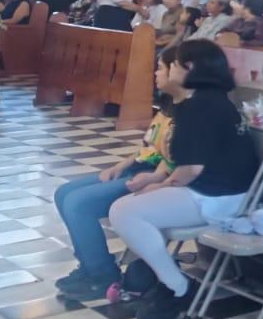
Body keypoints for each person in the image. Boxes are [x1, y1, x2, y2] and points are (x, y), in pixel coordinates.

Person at [107, 41, 263, 319]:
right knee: (127, 209)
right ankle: (161, 279)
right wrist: (159, 182)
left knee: (124, 212)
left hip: (218, 197)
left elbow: (191, 168)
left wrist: (161, 186)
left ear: (188, 68)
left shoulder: (200, 107)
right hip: (217, 191)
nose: (160, 72)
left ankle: (179, 288)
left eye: (168, 66)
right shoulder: (208, 100)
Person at [53, 47, 185, 299]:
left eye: (161, 68)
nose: (155, 73)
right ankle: (88, 265)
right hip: (142, 168)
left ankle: (102, 275)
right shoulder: (168, 105)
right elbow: (149, 146)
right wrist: (121, 165)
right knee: (63, 192)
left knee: (78, 204)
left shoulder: (188, 112)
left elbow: (174, 161)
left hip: (156, 177)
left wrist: (154, 178)